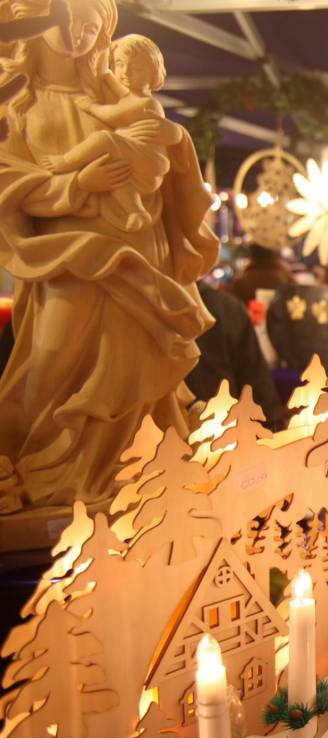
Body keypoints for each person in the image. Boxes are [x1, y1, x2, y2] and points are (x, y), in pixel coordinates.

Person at [0, 0, 217, 509]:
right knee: (49, 361)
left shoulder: (108, 90)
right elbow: (8, 179)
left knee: (132, 361)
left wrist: (170, 155)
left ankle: (124, 470)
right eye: (67, 24)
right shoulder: (17, 104)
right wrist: (76, 185)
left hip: (136, 248)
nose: (77, 36)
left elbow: (156, 142)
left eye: (89, 27)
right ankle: (24, 461)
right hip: (66, 254)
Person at [38, 33, 180, 233]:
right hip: (134, 162)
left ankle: (66, 161)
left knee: (103, 139)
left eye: (136, 68)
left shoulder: (148, 103)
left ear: (153, 73)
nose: (125, 72)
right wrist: (105, 73)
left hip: (149, 161)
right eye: (120, 64)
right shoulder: (130, 97)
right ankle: (135, 210)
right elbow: (122, 92)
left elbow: (113, 114)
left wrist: (92, 107)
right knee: (112, 171)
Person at [187, 284, 285, 430]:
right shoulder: (226, 307)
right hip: (225, 438)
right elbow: (260, 394)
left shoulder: (143, 308)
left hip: (154, 444)